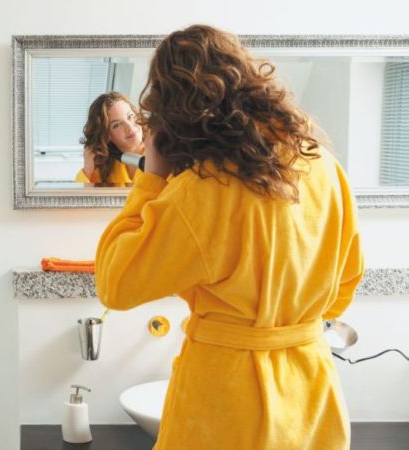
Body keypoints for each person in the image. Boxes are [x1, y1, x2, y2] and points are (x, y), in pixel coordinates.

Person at [95, 25, 364, 450]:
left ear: (173, 107)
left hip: (228, 402)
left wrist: (150, 180)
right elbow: (345, 283)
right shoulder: (323, 166)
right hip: (312, 392)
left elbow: (116, 282)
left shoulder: (203, 189)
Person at [75, 92, 148, 184]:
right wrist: (87, 168)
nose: (130, 127)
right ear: (106, 136)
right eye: (116, 125)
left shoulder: (162, 154)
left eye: (130, 116)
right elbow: (80, 196)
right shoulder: (105, 170)